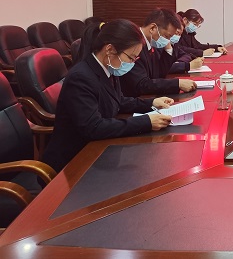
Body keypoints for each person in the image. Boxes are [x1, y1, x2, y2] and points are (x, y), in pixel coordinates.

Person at [42, 20, 173, 172]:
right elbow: (94, 127)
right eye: (131, 58)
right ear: (109, 49)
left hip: (98, 149)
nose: (132, 63)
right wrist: (146, 122)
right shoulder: (81, 77)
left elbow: (118, 101)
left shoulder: (108, 67)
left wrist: (152, 103)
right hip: (74, 161)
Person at [120, 8, 197, 97]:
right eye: (166, 36)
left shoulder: (153, 43)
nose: (168, 41)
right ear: (153, 28)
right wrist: (177, 84)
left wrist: (168, 49)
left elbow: (159, 74)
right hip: (133, 99)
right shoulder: (133, 44)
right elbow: (141, 84)